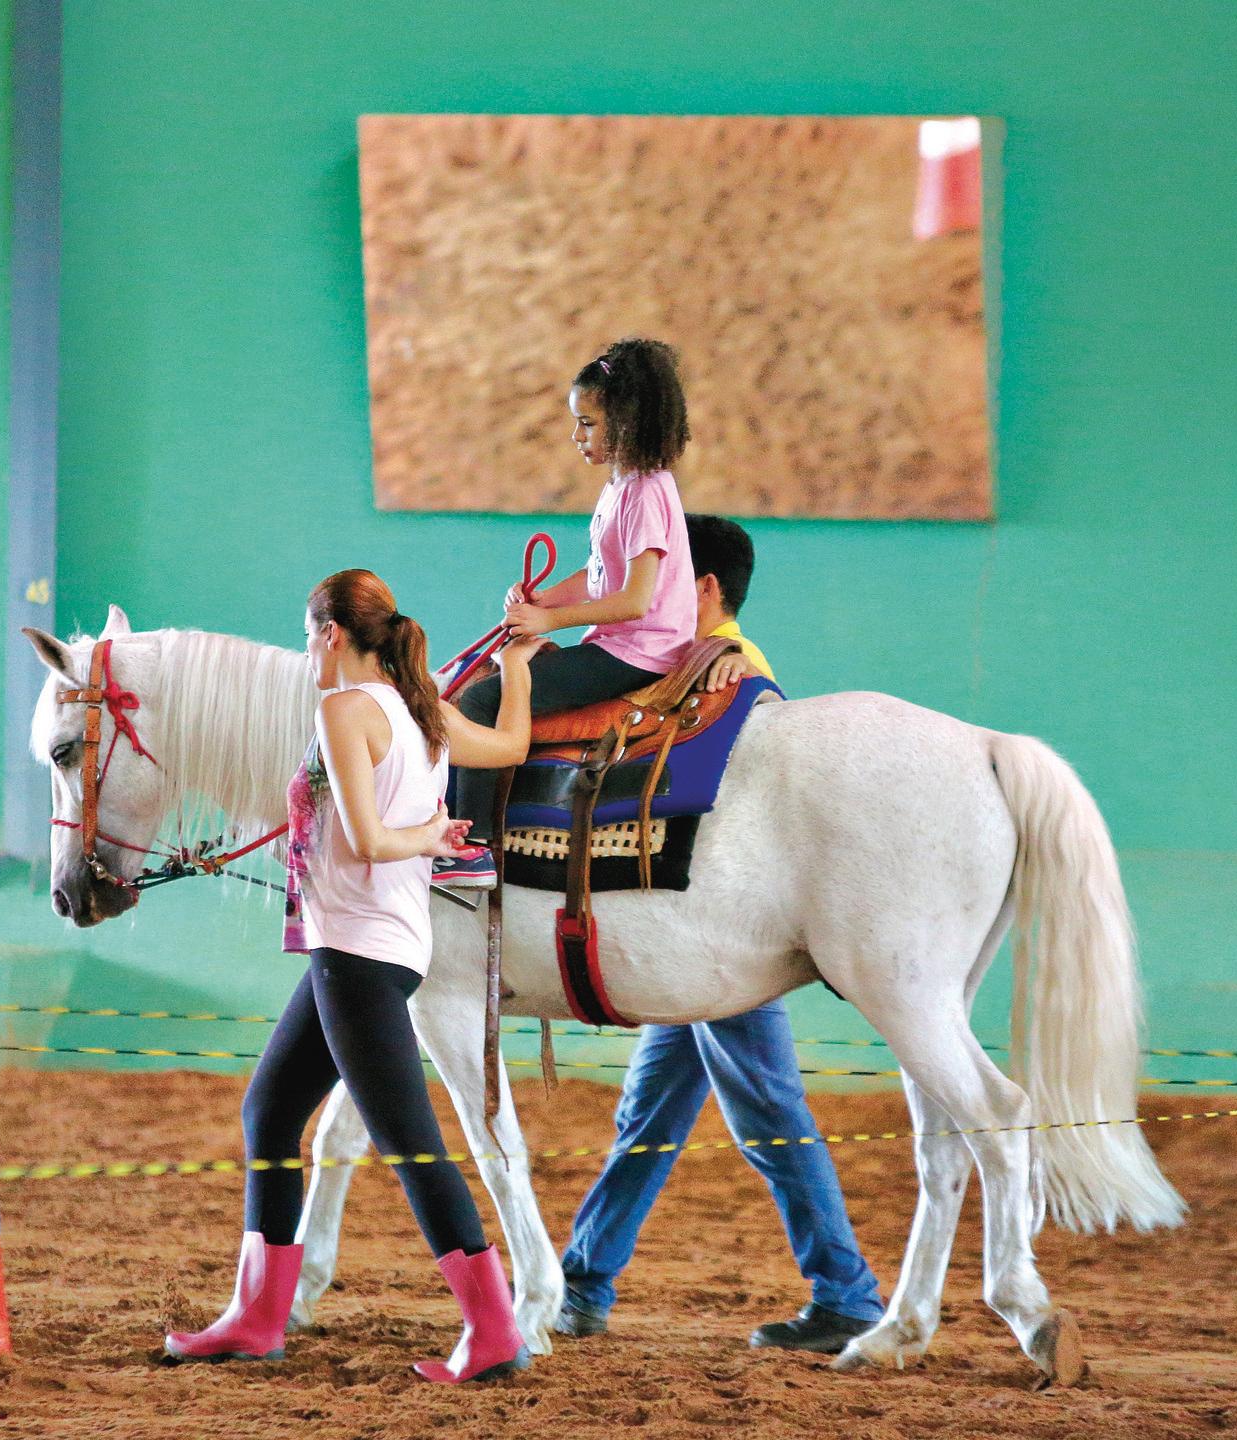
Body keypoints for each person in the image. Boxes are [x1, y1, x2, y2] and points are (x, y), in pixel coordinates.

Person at [164, 569, 544, 1383]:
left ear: (332, 631)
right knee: (270, 1112)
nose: (306, 647)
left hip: (357, 953)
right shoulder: (421, 709)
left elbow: (370, 840)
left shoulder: (342, 708)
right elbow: (509, 746)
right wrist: (517, 670)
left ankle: (495, 1332)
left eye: (308, 632)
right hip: (376, 947)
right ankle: (258, 1316)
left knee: (413, 1147)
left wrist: (429, 835)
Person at [555, 517, 887, 1354]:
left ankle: (847, 1293)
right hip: (687, 933)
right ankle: (583, 1282)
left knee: (766, 1111)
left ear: (705, 590)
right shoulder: (697, 664)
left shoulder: (733, 672)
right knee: (651, 1118)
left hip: (711, 932)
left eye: (666, 582)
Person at [435, 337, 698, 888]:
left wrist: (548, 624)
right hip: (625, 642)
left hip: (642, 651)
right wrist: (544, 599)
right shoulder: (623, 485)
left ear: (625, 423)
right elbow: (603, 574)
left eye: (588, 423)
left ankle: (472, 845)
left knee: (483, 699)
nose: (576, 436)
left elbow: (635, 600)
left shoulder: (646, 492)